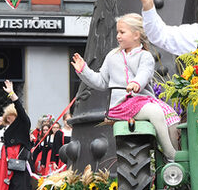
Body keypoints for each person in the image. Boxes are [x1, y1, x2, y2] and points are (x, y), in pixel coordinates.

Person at [72, 13, 180, 161]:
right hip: (121, 105)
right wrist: (83, 70)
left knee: (172, 117)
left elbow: (145, 73)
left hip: (141, 101)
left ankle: (174, 152)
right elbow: (101, 81)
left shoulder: (145, 56)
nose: (118, 36)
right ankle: (171, 156)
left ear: (136, 35)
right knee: (155, 112)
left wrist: (136, 83)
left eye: (122, 32)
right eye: (118, 32)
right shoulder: (112, 56)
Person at [0, 81, 32, 190]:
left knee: (21, 186)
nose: (8, 119)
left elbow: (20, 108)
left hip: (20, 157)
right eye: (7, 118)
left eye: (10, 116)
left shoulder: (24, 122)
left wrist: (12, 94)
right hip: (9, 158)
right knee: (11, 186)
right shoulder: (9, 128)